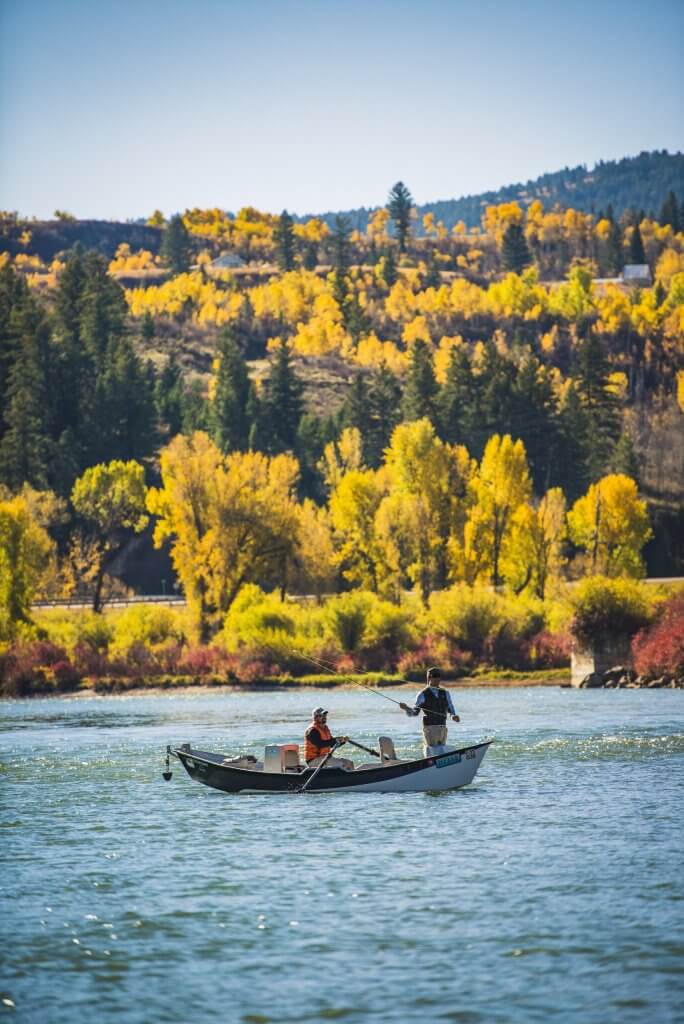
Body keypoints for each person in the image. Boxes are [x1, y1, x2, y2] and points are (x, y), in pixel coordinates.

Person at [400, 667, 460, 756]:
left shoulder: (445, 693)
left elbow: (450, 709)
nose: (438, 679)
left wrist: (453, 716)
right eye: (435, 676)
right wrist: (406, 708)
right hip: (430, 729)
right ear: (429, 678)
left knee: (441, 753)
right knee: (432, 753)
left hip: (443, 728)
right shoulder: (422, 694)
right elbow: (415, 712)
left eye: (439, 676)